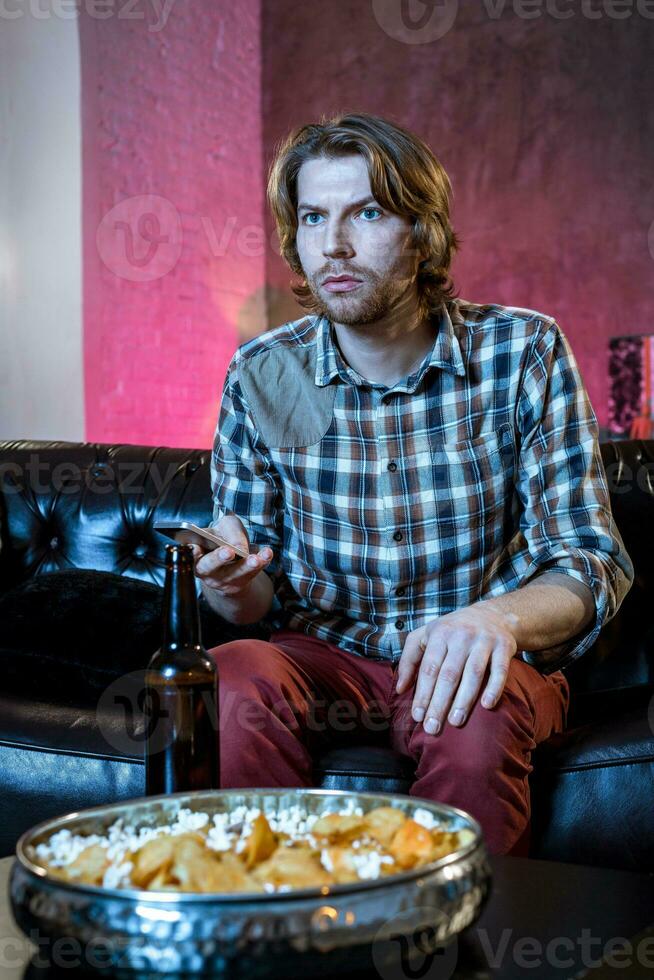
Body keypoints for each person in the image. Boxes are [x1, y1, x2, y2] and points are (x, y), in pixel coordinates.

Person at [193, 112, 633, 855]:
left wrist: (497, 620)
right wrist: (231, 582)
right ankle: (274, 930)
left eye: (366, 212)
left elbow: (590, 563)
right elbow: (251, 593)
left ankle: (459, 953)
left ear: (422, 231)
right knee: (231, 678)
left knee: (472, 717)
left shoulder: (522, 351)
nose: (333, 244)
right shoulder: (266, 373)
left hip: (480, 655)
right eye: (312, 217)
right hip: (324, 656)